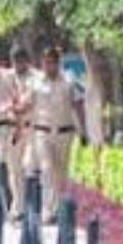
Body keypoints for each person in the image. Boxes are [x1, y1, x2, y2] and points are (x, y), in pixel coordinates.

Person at [18, 47, 86, 225]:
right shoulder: (35, 83)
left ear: (58, 63)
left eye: (52, 62)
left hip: (64, 132)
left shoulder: (69, 80)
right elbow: (26, 104)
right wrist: (17, 110)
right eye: (46, 62)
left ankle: (60, 208)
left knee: (61, 173)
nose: (49, 66)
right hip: (42, 133)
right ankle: (48, 211)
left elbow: (78, 104)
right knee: (47, 170)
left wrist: (83, 129)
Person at [5, 46, 41, 219]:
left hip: (30, 128)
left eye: (21, 61)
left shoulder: (36, 78)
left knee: (30, 166)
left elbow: (28, 102)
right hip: (12, 129)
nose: (18, 65)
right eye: (15, 61)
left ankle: (33, 206)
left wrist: (15, 106)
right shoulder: (6, 77)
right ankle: (18, 207)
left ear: (27, 60)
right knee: (14, 169)